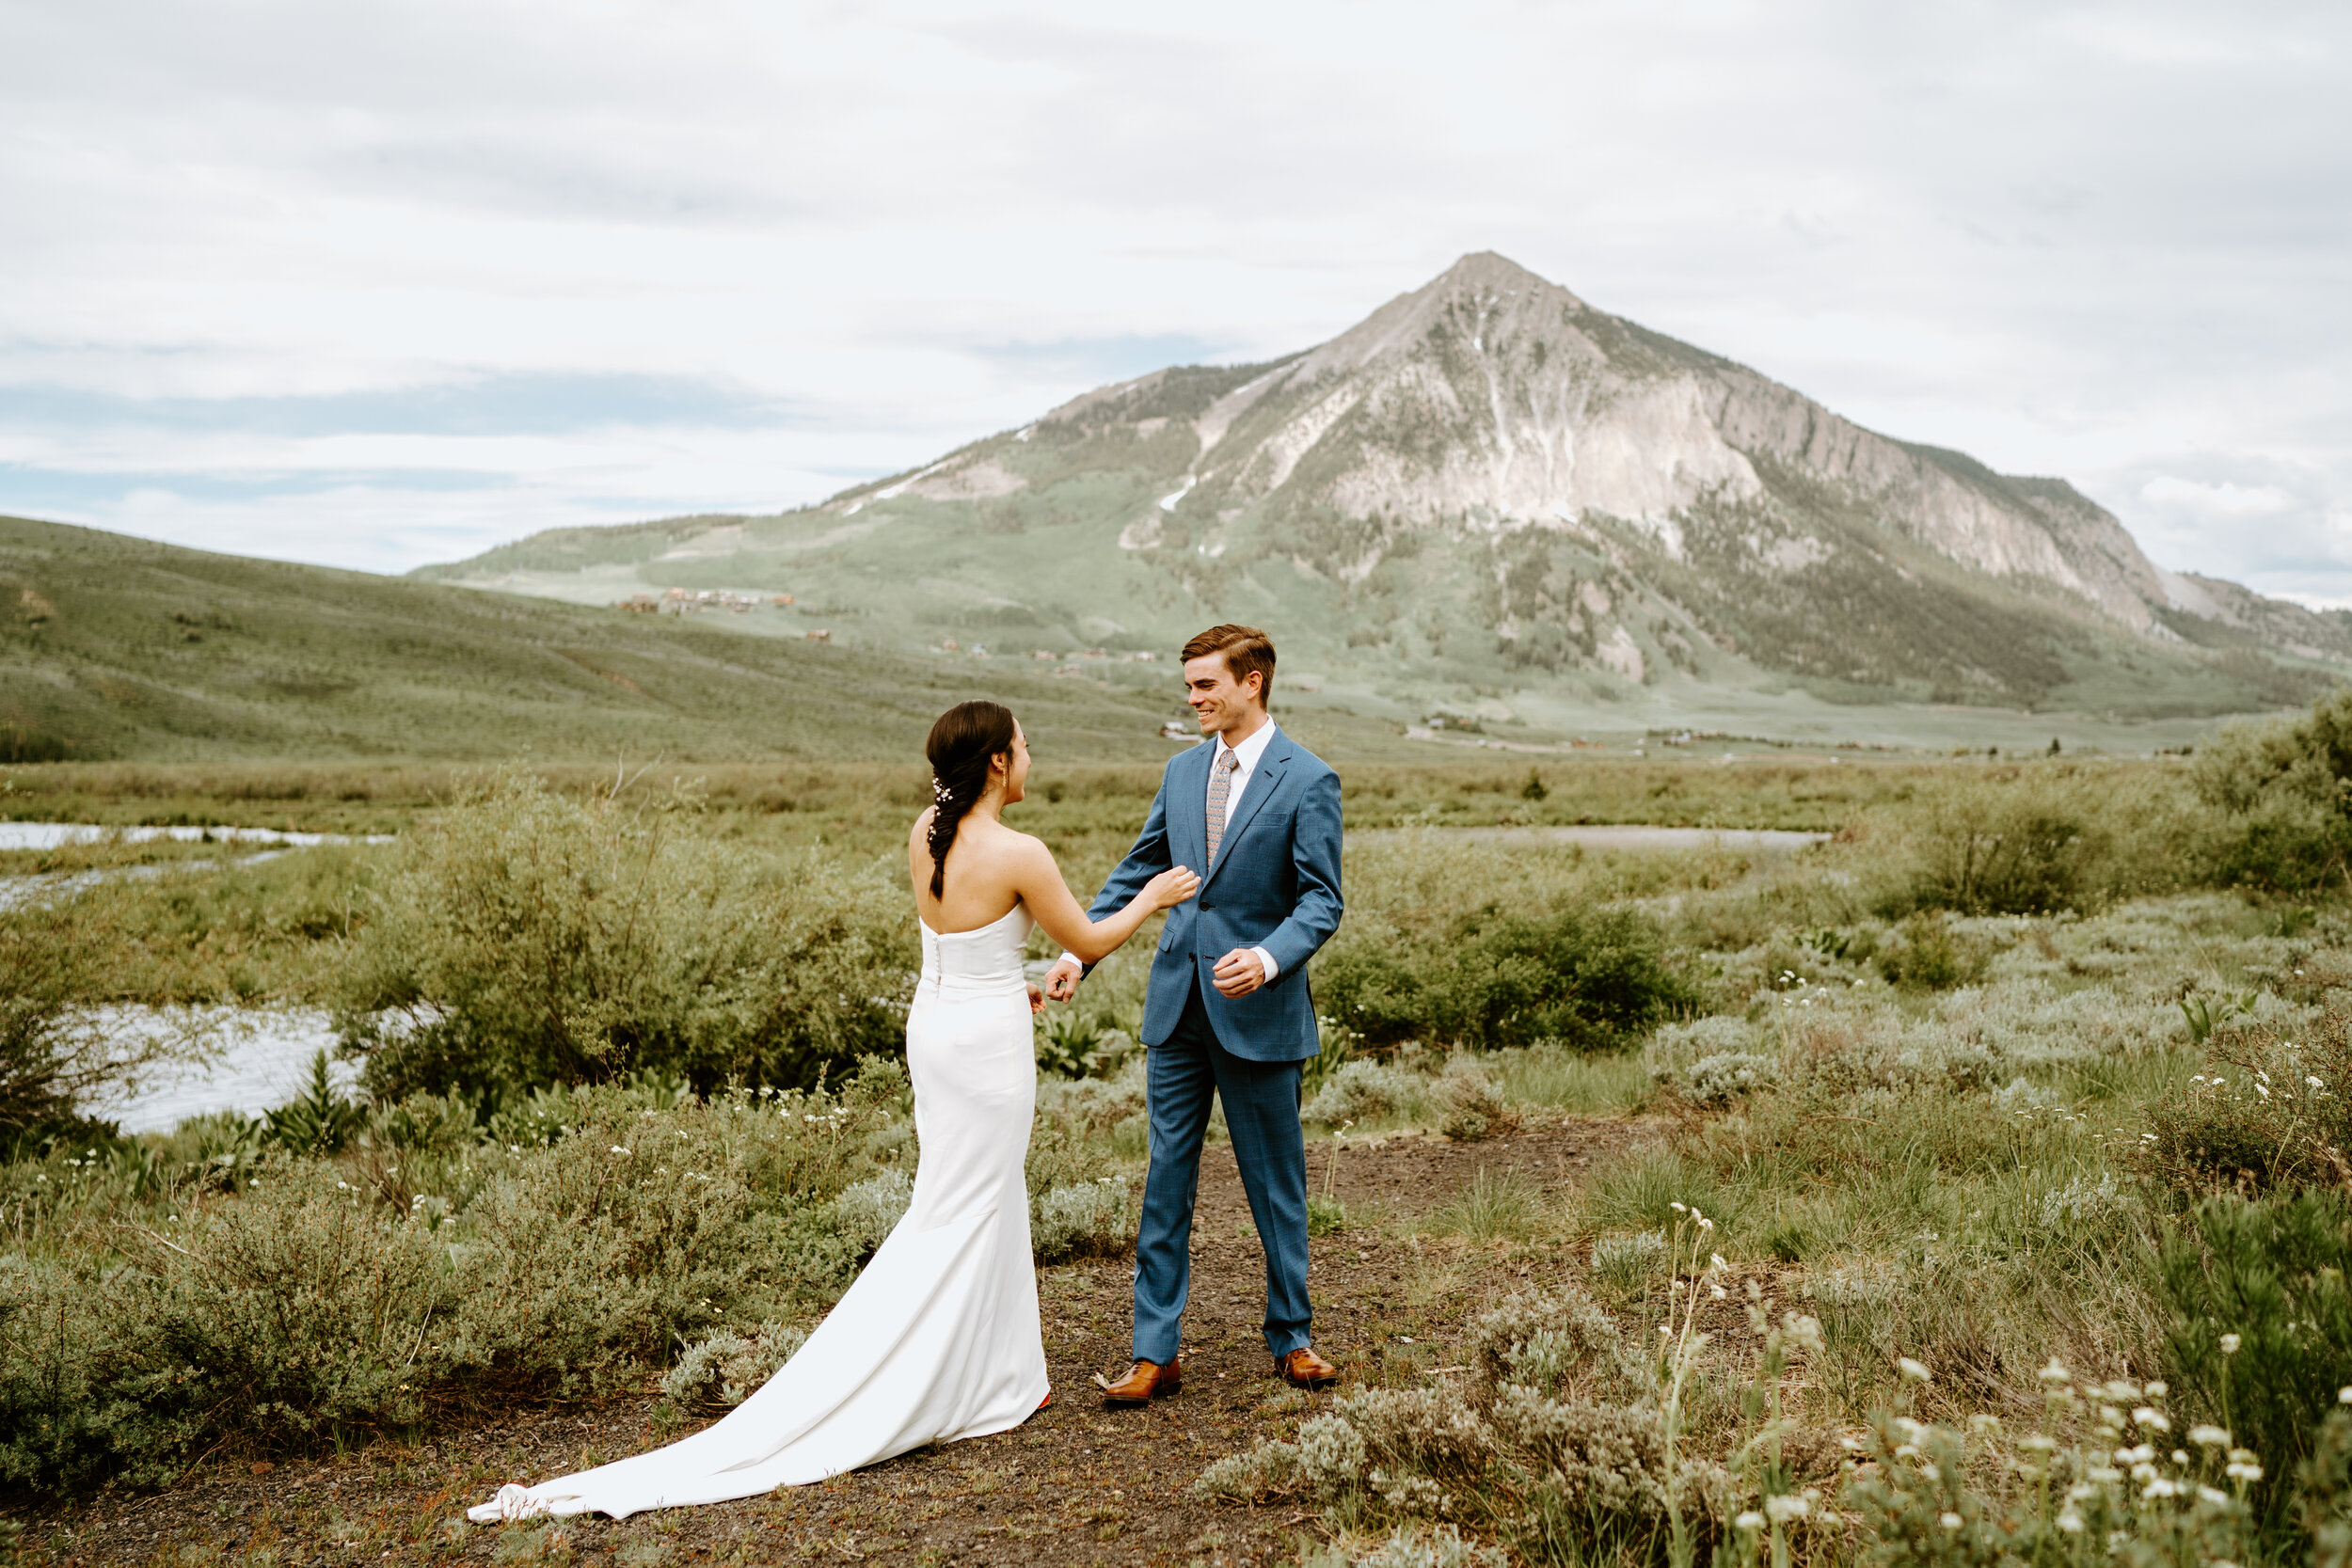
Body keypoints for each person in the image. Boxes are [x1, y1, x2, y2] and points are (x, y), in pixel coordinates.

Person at [469, 701, 1199, 1522]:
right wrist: (1157, 895)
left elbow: (961, 943)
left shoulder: (925, 828)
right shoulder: (1021, 851)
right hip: (987, 1044)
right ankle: (933, 1377)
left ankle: (1005, 1378)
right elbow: (1093, 940)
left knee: (970, 1192)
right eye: (1025, 747)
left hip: (940, 1025)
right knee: (970, 1199)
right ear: (997, 762)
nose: (1033, 758)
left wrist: (1016, 979)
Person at [1042, 624, 1344, 1404]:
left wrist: (1271, 956)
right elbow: (1140, 870)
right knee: (1165, 1180)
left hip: (1262, 1010)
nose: (1193, 699)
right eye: (1189, 686)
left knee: (1275, 1183)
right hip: (1176, 1010)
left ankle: (1293, 1338)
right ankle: (1155, 1352)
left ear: (1253, 682)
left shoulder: (1309, 779)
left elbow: (1322, 899)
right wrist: (1080, 953)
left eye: (1206, 684)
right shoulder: (1180, 772)